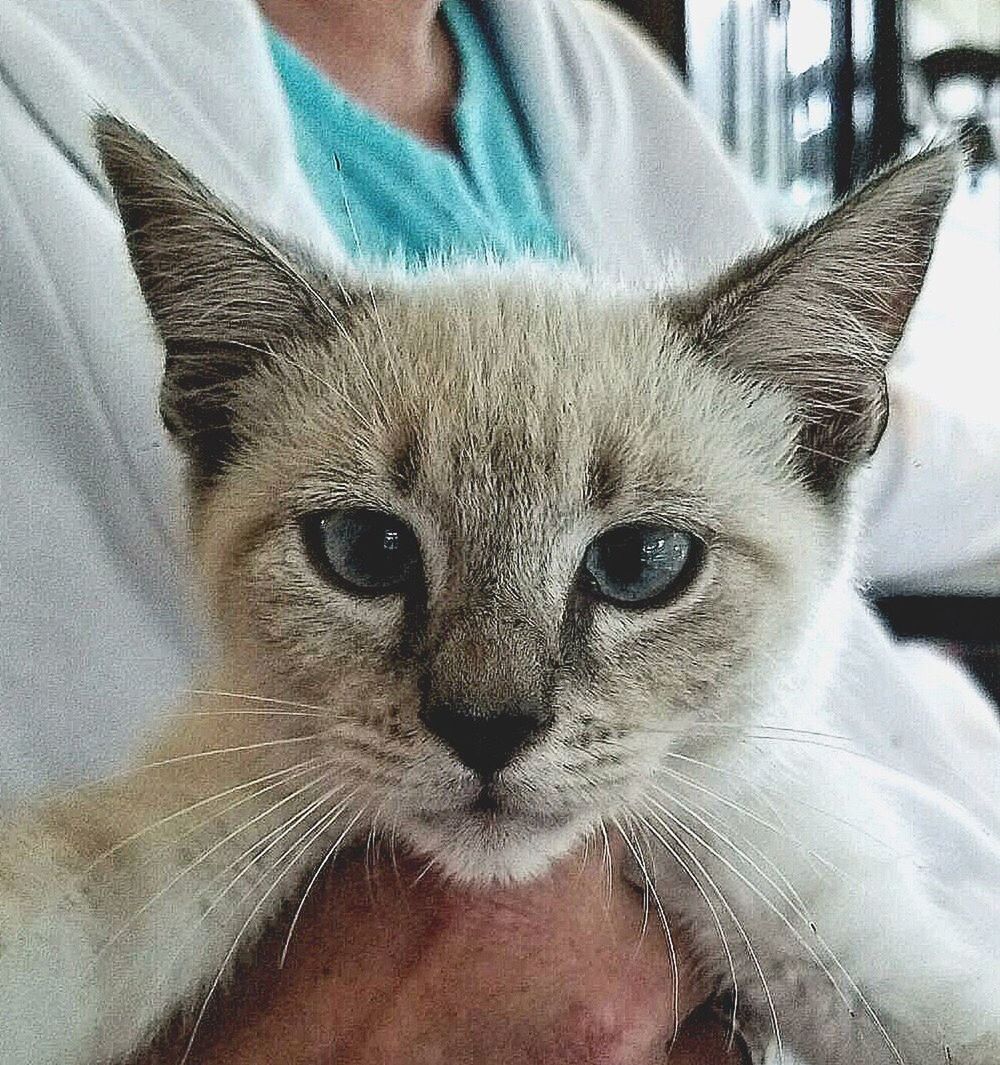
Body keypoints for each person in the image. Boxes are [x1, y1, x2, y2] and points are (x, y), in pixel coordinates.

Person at [1, 1, 998, 1062]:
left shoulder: (602, 65)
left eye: (636, 560)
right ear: (216, 442)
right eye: (368, 550)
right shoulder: (240, 771)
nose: (486, 703)